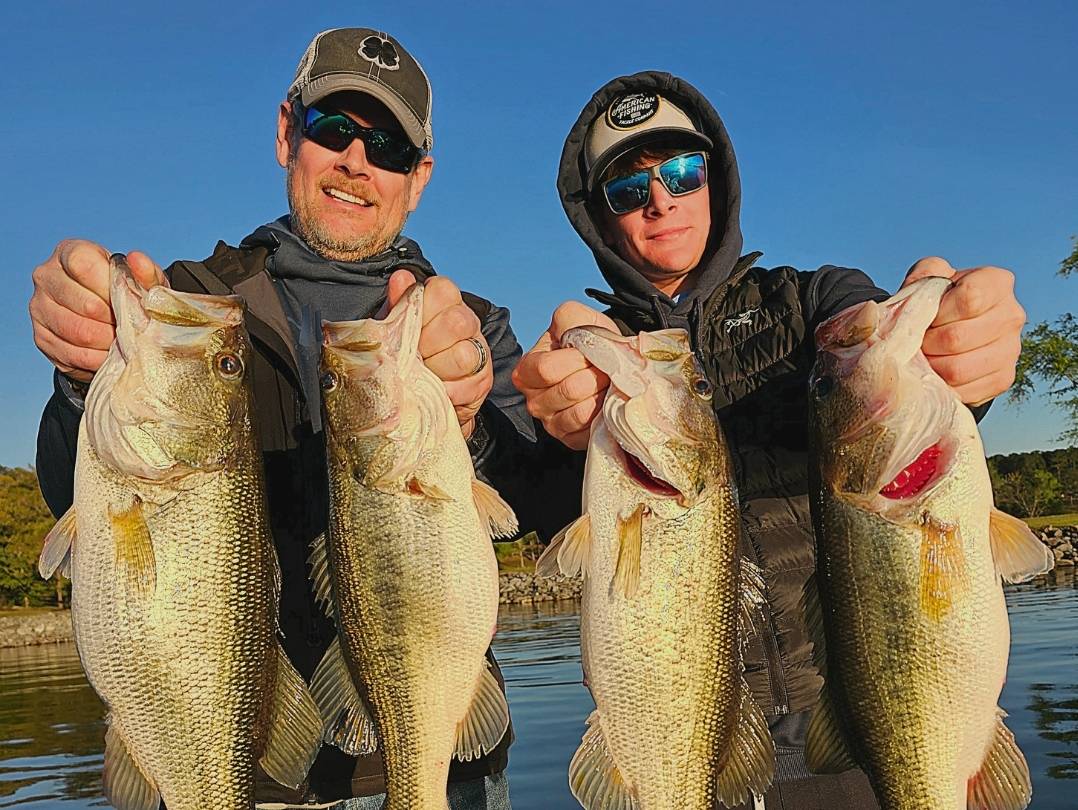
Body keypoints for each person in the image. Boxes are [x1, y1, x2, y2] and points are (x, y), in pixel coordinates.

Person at [28, 27, 540, 810]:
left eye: (389, 148)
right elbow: (74, 493)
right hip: (241, 771)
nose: (356, 162)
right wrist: (77, 378)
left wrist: (469, 430)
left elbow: (532, 499)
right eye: (332, 129)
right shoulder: (194, 306)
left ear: (420, 177)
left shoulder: (467, 327)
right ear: (285, 134)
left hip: (441, 762)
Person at [513, 71, 1026, 809]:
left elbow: (885, 383)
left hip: (849, 731)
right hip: (692, 743)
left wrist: (963, 347)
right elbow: (536, 509)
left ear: (714, 180)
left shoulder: (812, 302)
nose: (661, 199)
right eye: (628, 190)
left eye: (682, 172)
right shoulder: (590, 373)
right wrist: (557, 435)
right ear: (599, 217)